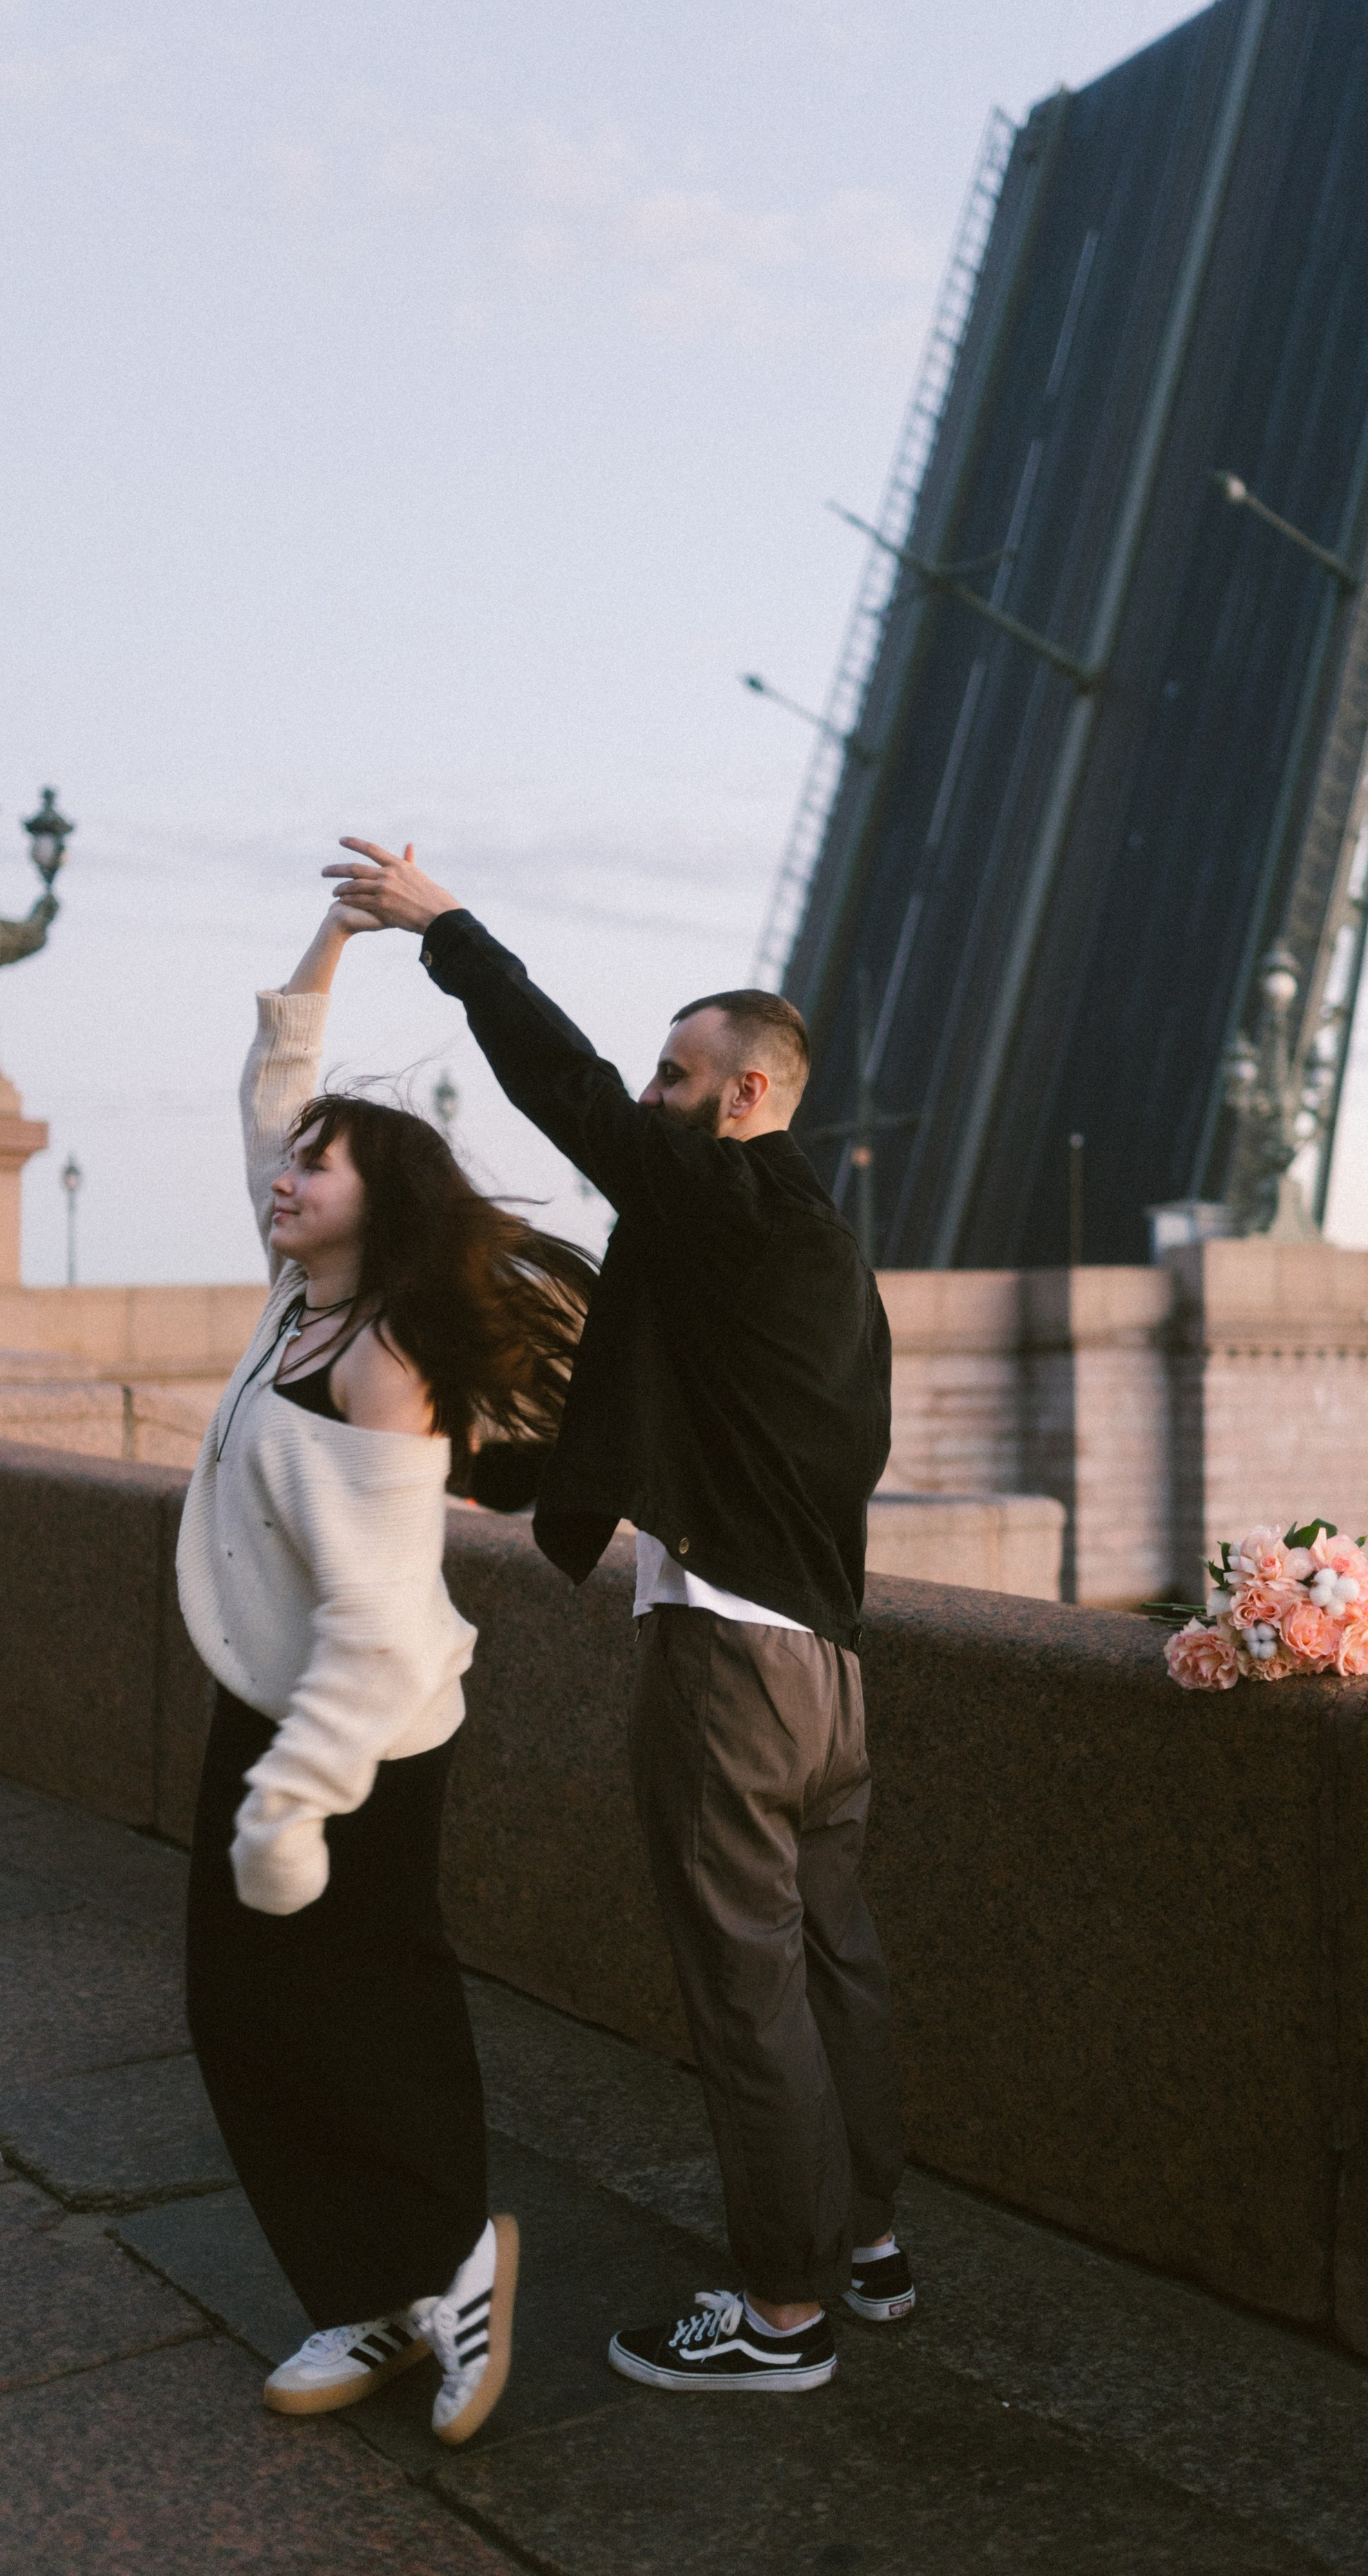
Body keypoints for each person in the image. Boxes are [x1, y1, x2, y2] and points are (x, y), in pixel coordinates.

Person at [324, 834, 914, 2394]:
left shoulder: (716, 1202)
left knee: (746, 1988)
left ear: (744, 1094)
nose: (647, 1097)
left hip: (728, 1659)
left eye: (676, 1075)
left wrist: (448, 930)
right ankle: (866, 2243)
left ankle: (780, 2315)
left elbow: (562, 1088)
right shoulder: (825, 1252)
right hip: (829, 1668)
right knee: (836, 1953)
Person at [178, 886, 592, 2443]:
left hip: (355, 1734)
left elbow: (378, 1622)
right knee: (256, 2008)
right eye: (286, 1171)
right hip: (273, 1706)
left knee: (360, 2000)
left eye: (316, 1169)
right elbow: (274, 1088)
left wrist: (291, 1803)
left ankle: (440, 2271)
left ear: (382, 1195)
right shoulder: (301, 1296)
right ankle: (380, 2290)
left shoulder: (381, 1362)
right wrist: (336, 944)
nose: (285, 1178)